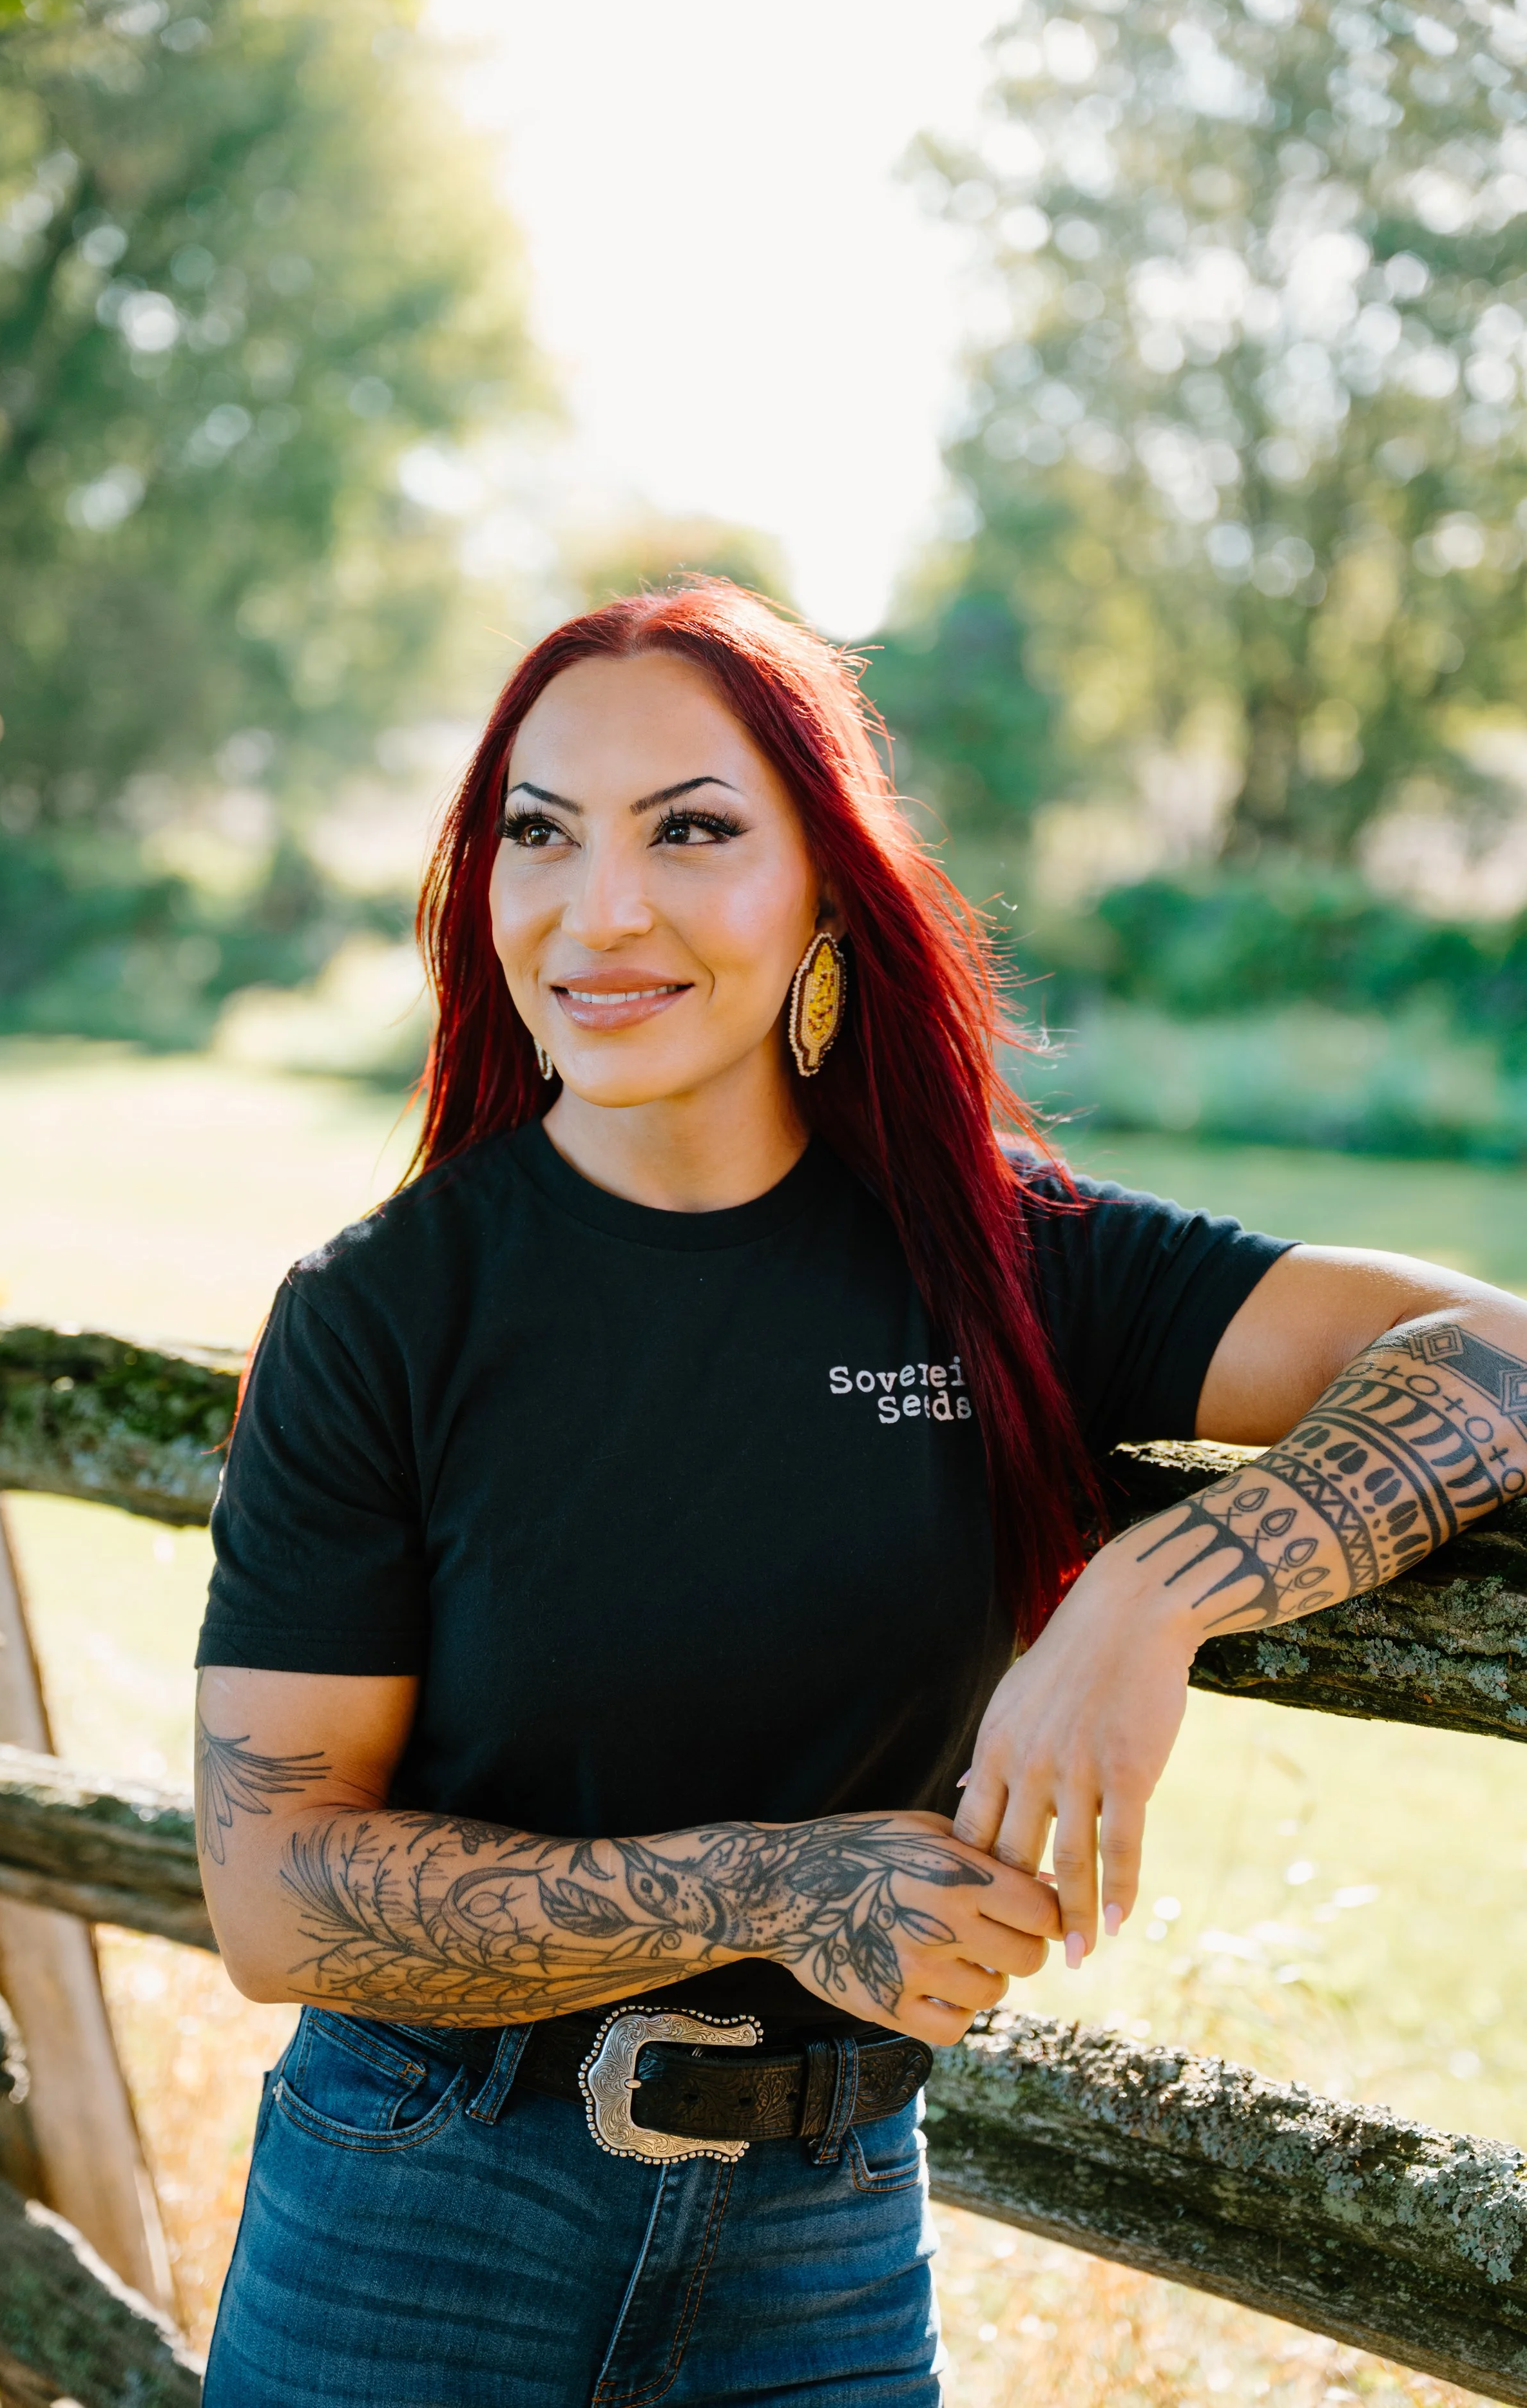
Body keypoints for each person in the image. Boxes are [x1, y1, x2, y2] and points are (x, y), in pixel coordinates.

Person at [195, 581, 1527, 2407]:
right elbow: (272, 1896)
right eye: (538, 831)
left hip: (821, 2233)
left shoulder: (993, 1258)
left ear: (825, 876)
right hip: (421, 2212)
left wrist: (1153, 1587)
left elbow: (1498, 1350)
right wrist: (779, 1883)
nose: (603, 908)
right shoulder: (378, 1316)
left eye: (693, 829)